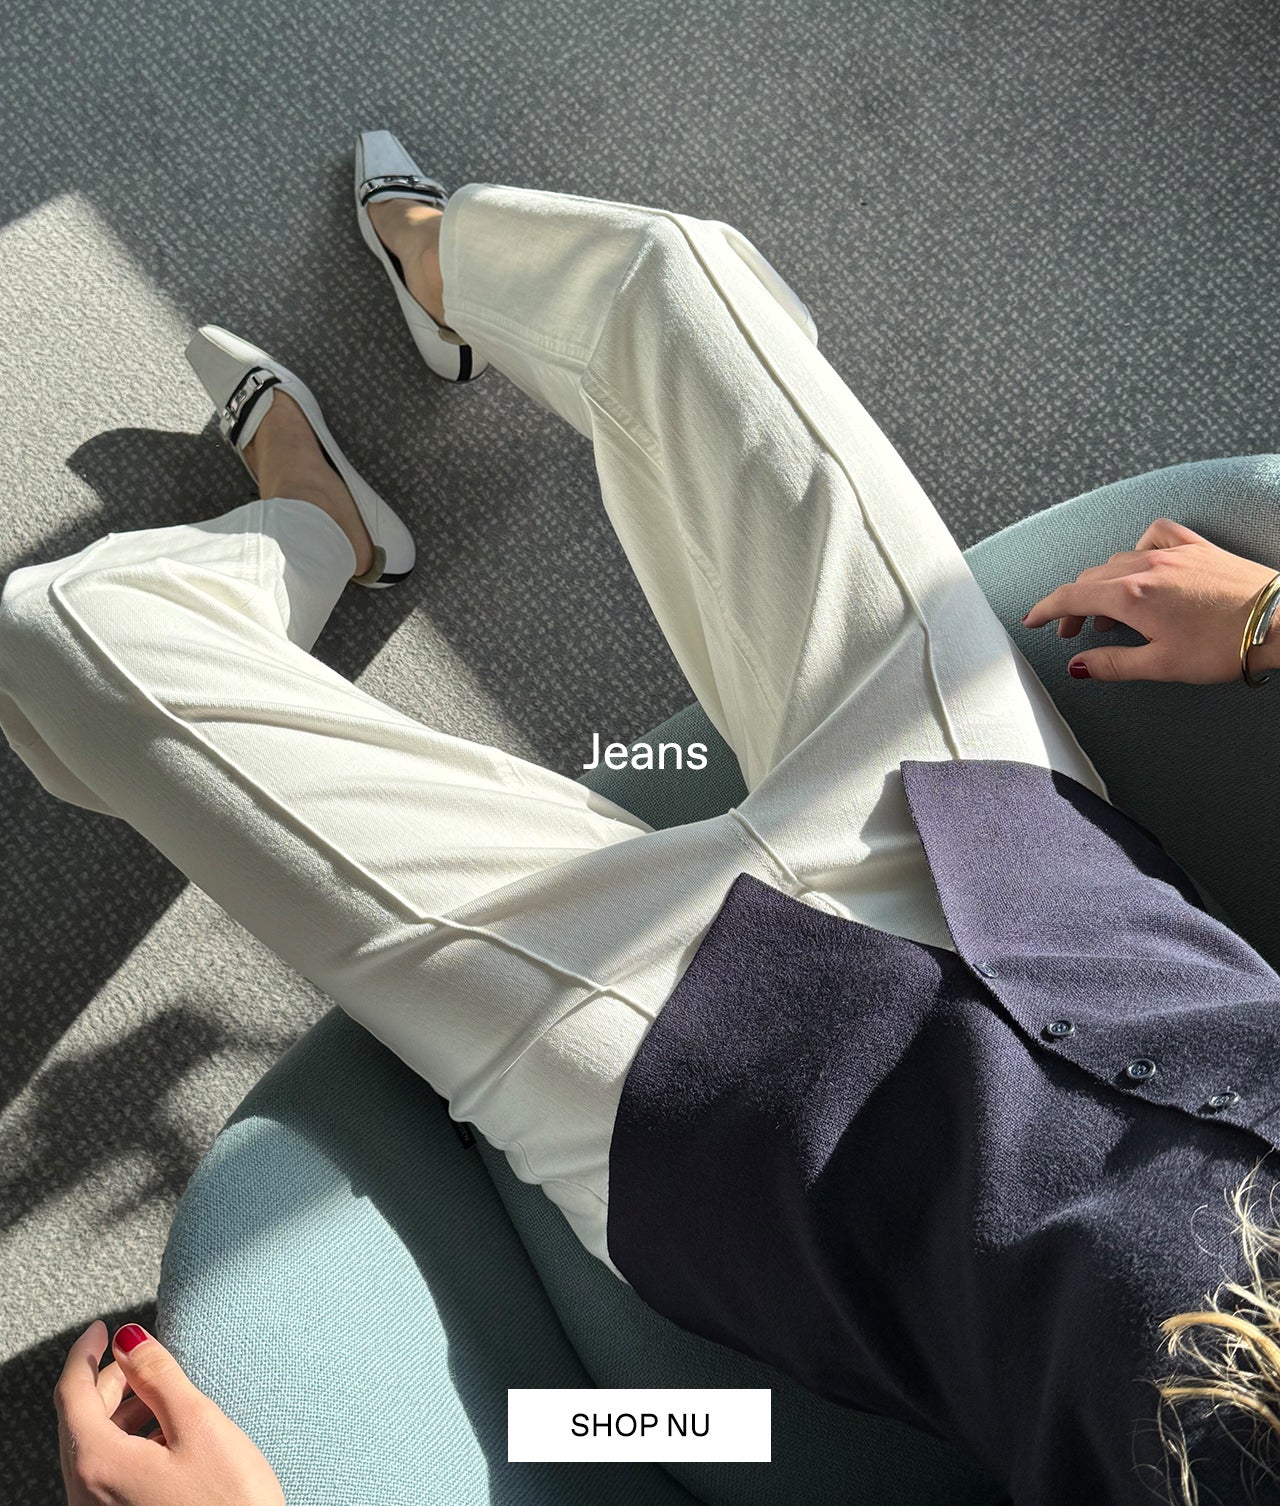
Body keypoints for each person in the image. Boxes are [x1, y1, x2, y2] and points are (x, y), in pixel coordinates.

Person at [6, 130, 1279, 1506]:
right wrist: (1274, 618)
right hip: (1042, 881)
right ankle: (440, 273)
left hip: (723, 1126)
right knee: (675, 277)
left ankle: (317, 526)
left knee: (67, 632)